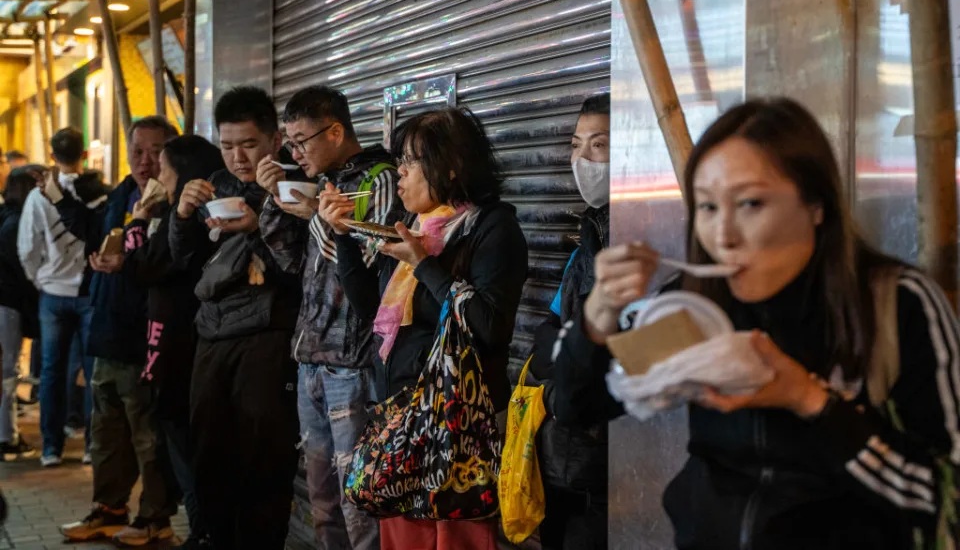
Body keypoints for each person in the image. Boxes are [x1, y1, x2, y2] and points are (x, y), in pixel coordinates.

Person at [554, 98, 960, 549]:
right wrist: (598, 315)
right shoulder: (697, 306)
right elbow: (578, 406)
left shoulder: (895, 306)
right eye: (707, 207)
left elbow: (945, 495)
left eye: (749, 203)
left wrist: (809, 400)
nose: (723, 236)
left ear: (816, 205)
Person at [319, 106, 528, 550]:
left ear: (450, 167)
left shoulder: (491, 228)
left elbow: (489, 326)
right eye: (400, 162)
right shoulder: (417, 226)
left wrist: (423, 264)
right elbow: (369, 308)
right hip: (402, 418)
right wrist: (341, 236)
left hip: (457, 432)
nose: (400, 173)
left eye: (411, 162)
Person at [258, 85, 402, 550]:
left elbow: (360, 266)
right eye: (290, 143)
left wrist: (317, 218)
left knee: (357, 500)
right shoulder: (323, 185)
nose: (295, 153)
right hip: (311, 358)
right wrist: (273, 199)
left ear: (336, 131)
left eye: (301, 141)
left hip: (351, 362)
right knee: (322, 498)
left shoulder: (377, 179)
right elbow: (291, 260)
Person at [170, 86, 301, 550]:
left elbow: (303, 268)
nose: (238, 157)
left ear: (274, 141)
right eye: (227, 146)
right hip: (213, 334)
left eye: (248, 144)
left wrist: (264, 219)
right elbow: (183, 260)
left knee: (263, 460)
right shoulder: (216, 185)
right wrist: (182, 215)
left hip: (268, 337)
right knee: (210, 454)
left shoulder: (295, 186)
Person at [55, 116, 180, 546]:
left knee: (147, 438)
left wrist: (132, 246)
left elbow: (163, 265)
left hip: (144, 339)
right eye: (137, 151)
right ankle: (109, 509)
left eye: (155, 152)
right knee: (106, 434)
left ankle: (154, 518)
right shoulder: (122, 193)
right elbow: (100, 238)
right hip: (106, 331)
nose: (144, 162)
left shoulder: (174, 202)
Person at [122, 135, 225, 549]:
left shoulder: (187, 221)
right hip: (178, 348)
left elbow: (139, 265)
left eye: (162, 167)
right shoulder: (181, 216)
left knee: (189, 448)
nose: (154, 174)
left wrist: (137, 219)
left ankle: (202, 531)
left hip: (180, 351)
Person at [529, 93, 610, 549]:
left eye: (598, 145)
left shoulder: (645, 233)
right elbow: (547, 333)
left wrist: (567, 377)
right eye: (577, 145)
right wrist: (565, 384)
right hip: (565, 451)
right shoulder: (589, 237)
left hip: (606, 464)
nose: (582, 159)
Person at [17, 129, 109, 467]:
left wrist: (39, 279)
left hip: (52, 294)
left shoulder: (39, 196)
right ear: (83, 154)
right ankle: (90, 445)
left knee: (52, 371)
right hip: (89, 291)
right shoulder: (98, 194)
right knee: (92, 369)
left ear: (53, 156)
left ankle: (51, 448)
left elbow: (28, 247)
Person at [0, 168, 41, 459]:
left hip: (6, 303)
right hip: (7, 304)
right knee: (8, 370)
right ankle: (6, 436)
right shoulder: (16, 223)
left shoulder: (5, 216)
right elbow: (23, 269)